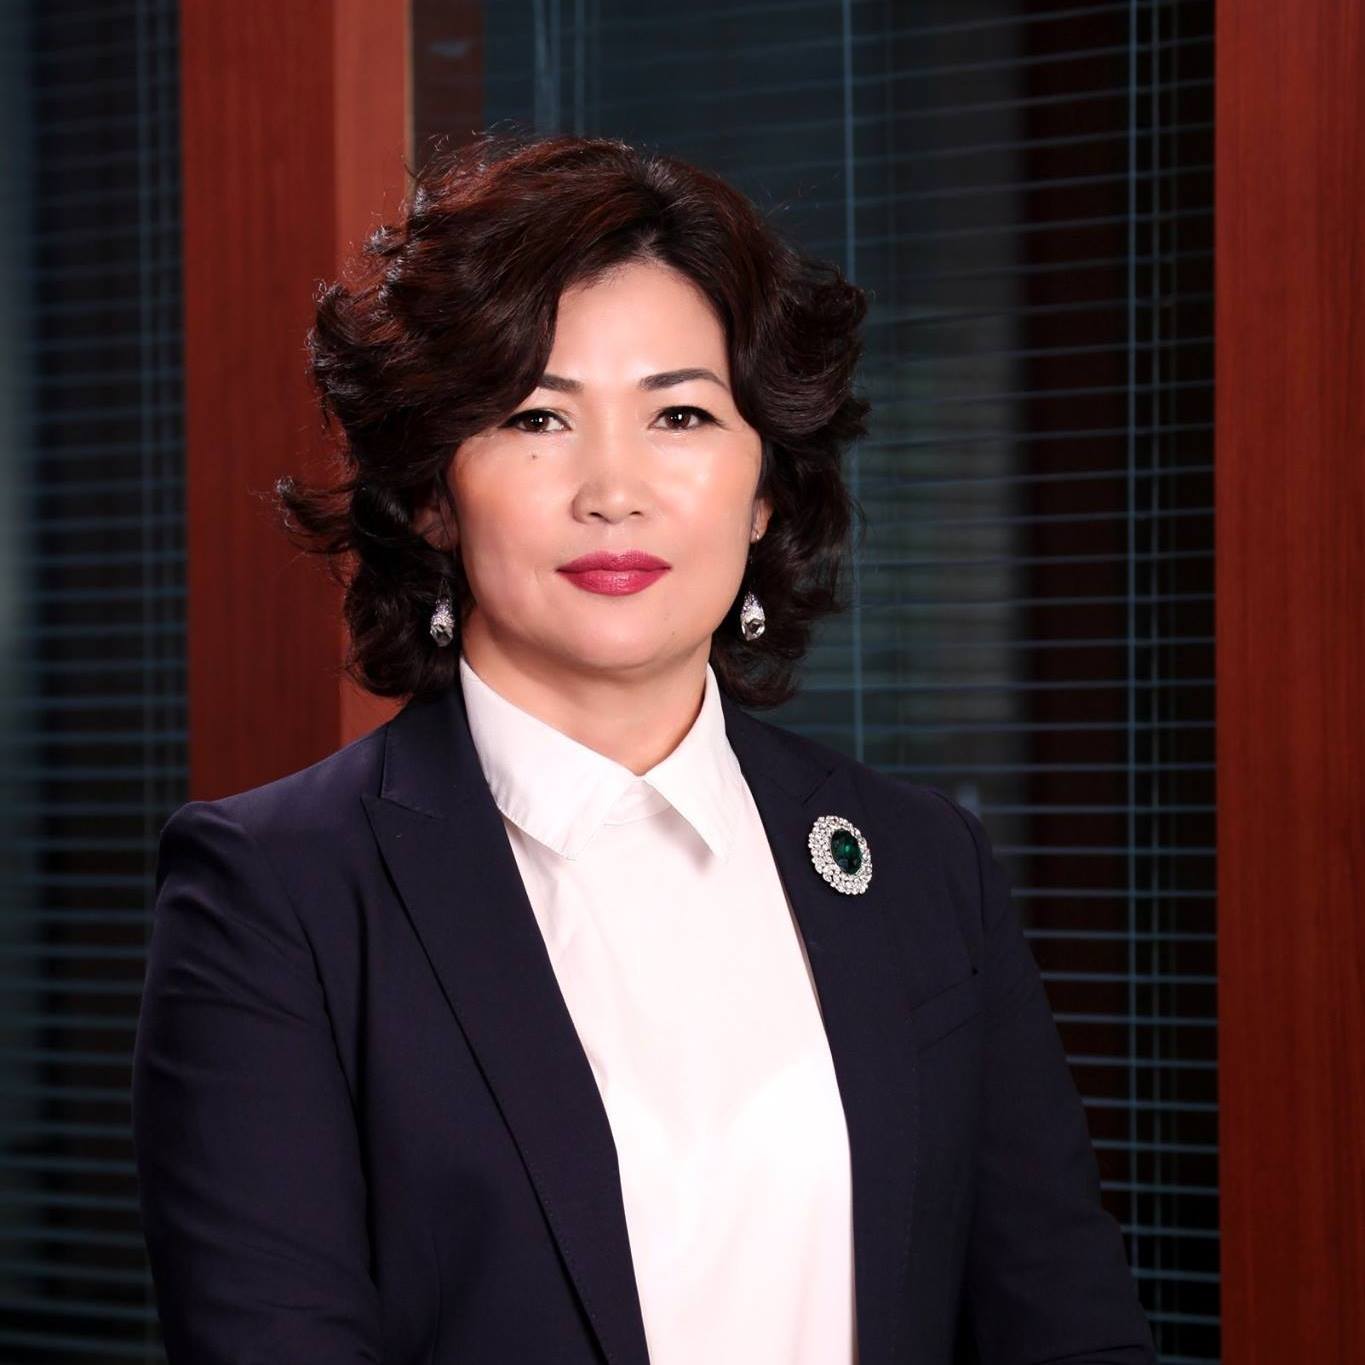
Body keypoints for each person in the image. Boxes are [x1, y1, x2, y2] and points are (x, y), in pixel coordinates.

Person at [131, 129, 1157, 1365]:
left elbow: (1068, 1327)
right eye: (536, 417)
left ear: (764, 487)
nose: (613, 490)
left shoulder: (921, 864)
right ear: (434, 495)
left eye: (680, 413)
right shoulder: (277, 892)